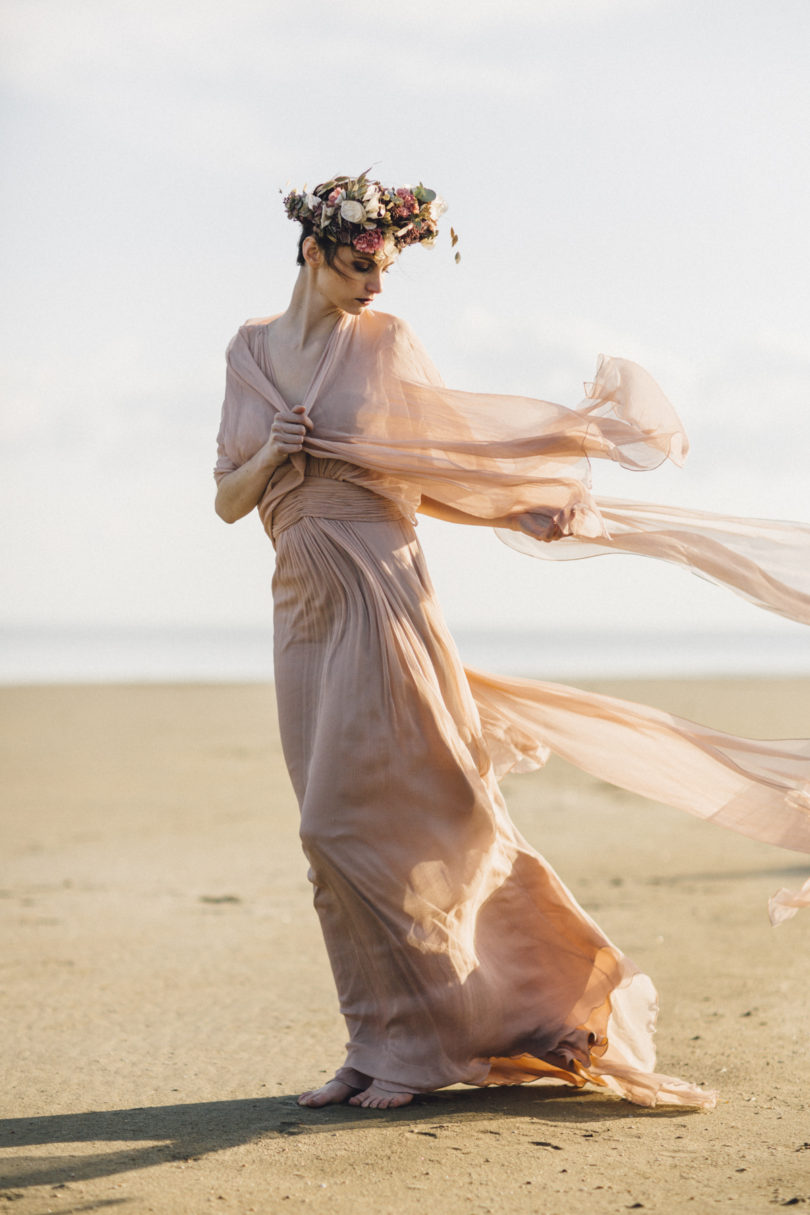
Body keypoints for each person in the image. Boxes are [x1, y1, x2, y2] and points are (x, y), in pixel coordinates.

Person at [214, 172, 810, 1112]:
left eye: (388, 265)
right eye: (360, 263)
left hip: (385, 593)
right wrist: (271, 452)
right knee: (326, 844)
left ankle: (425, 1043)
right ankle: (369, 1044)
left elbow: (422, 469)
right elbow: (226, 501)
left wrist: (523, 501)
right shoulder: (248, 354)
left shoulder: (388, 343)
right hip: (300, 607)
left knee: (373, 820)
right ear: (312, 251)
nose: (377, 282)